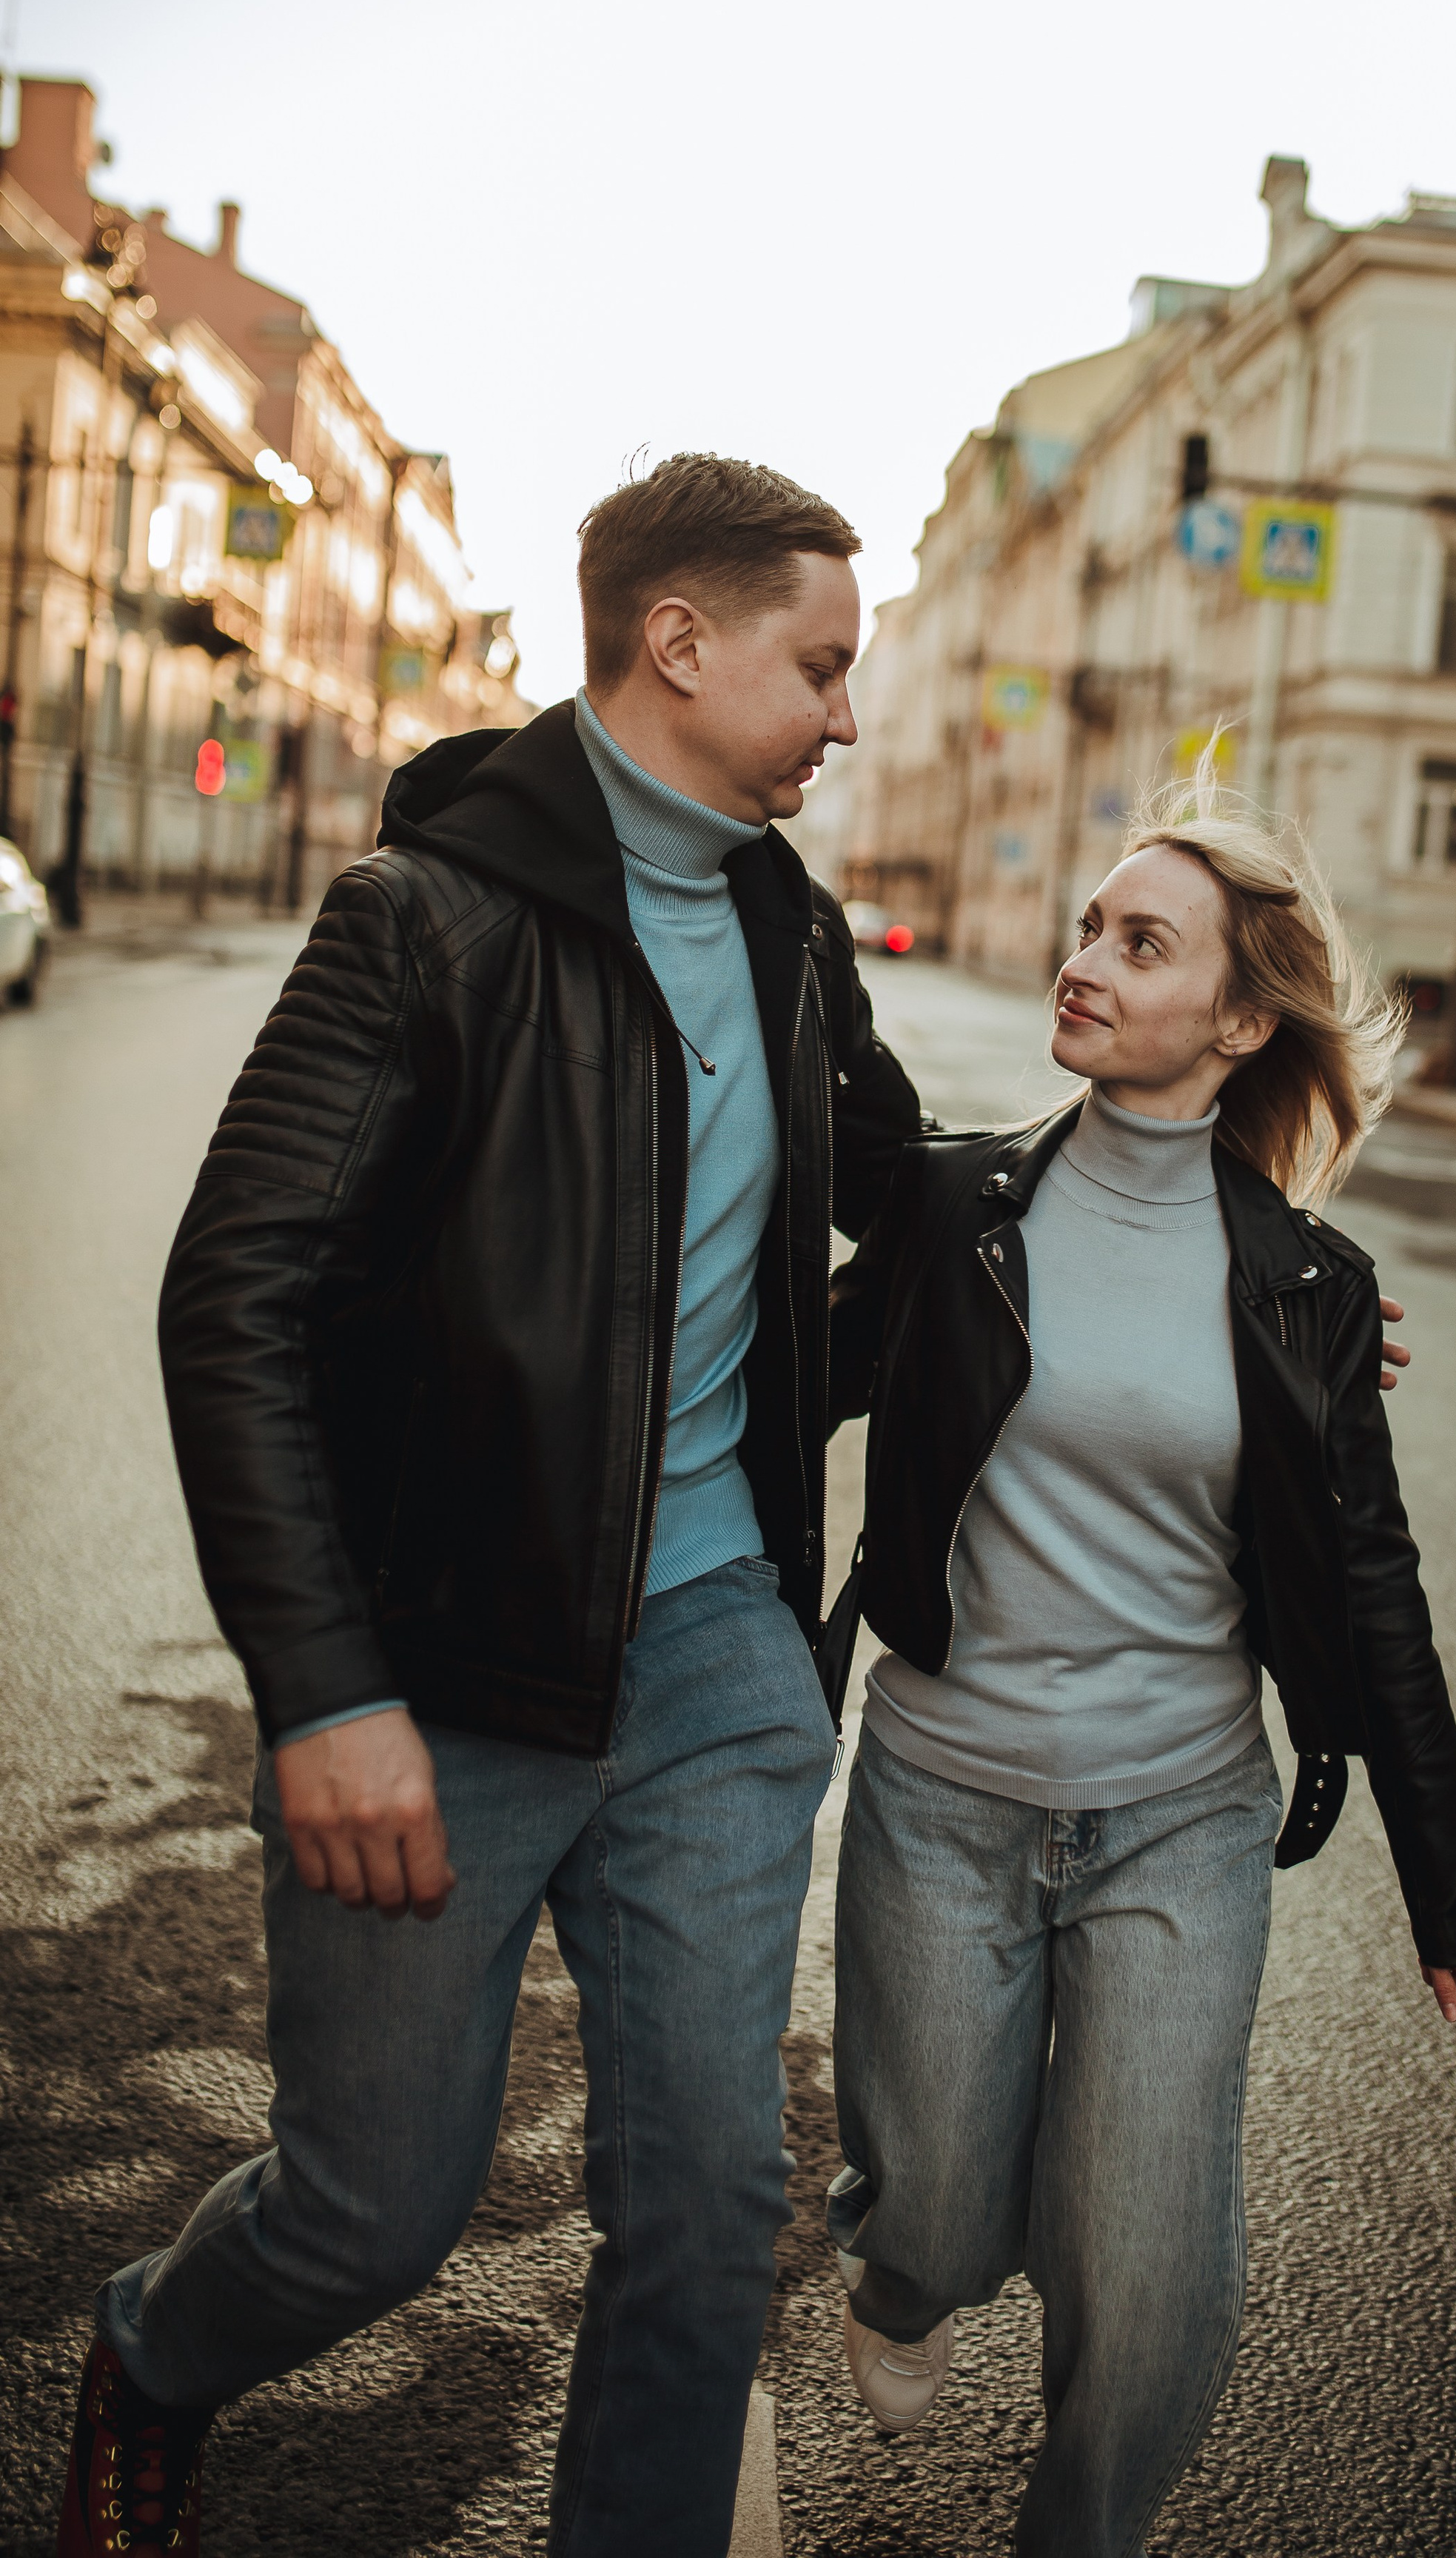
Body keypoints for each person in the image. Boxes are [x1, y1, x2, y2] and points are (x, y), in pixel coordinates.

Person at [54, 455, 925, 2558]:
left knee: (713, 2209)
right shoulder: (424, 923)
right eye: (820, 665)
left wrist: (1258, 1284)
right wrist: (325, 1693)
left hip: (719, 1653)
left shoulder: (792, 931)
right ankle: (157, 2352)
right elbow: (230, 1299)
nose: (844, 714)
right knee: (372, 2212)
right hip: (440, 1664)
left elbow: (920, 1201)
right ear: (680, 642)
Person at [819, 794, 1456, 2558]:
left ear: (1239, 1019)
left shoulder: (1306, 1290)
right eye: (1089, 927)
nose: (1084, 961)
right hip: (943, 1795)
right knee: (945, 2213)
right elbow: (765, 1379)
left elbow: (1370, 1581)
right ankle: (903, 2281)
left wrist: (1446, 1884)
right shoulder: (955, 1202)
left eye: (1142, 943)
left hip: (1178, 1818)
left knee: (1149, 2270)